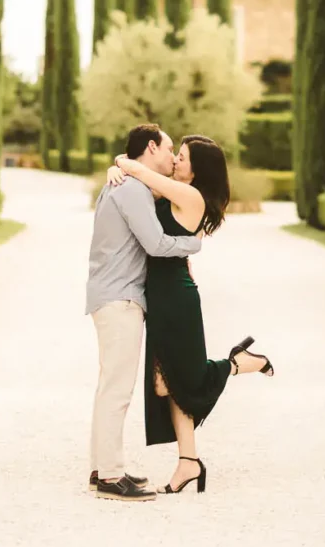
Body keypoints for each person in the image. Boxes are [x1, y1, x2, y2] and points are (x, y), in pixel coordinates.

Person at [106, 133, 274, 495]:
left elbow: (143, 174)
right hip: (163, 295)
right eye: (176, 155)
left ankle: (240, 363)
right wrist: (117, 169)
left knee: (184, 378)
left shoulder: (190, 195)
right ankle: (189, 462)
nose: (176, 161)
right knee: (166, 382)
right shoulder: (176, 191)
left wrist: (119, 163)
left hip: (175, 298)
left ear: (198, 170)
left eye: (182, 157)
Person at [85, 124, 201, 501]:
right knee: (116, 391)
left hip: (113, 296)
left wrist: (119, 163)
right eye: (168, 149)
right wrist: (193, 244)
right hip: (121, 299)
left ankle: (102, 469)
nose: (172, 157)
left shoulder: (123, 182)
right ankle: (109, 477)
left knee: (110, 388)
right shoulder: (132, 189)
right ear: (150, 148)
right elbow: (155, 243)